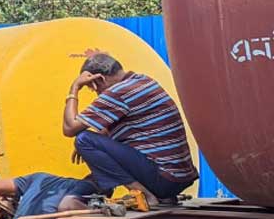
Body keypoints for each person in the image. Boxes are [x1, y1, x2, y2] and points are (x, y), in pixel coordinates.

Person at [62, 53, 197, 205]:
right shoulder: (142, 81)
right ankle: (161, 196)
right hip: (178, 177)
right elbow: (118, 130)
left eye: (94, 88)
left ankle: (143, 195)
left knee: (83, 139)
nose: (98, 94)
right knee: (89, 140)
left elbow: (70, 128)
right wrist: (96, 146)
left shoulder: (118, 93)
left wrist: (74, 88)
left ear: (100, 79)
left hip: (164, 178)